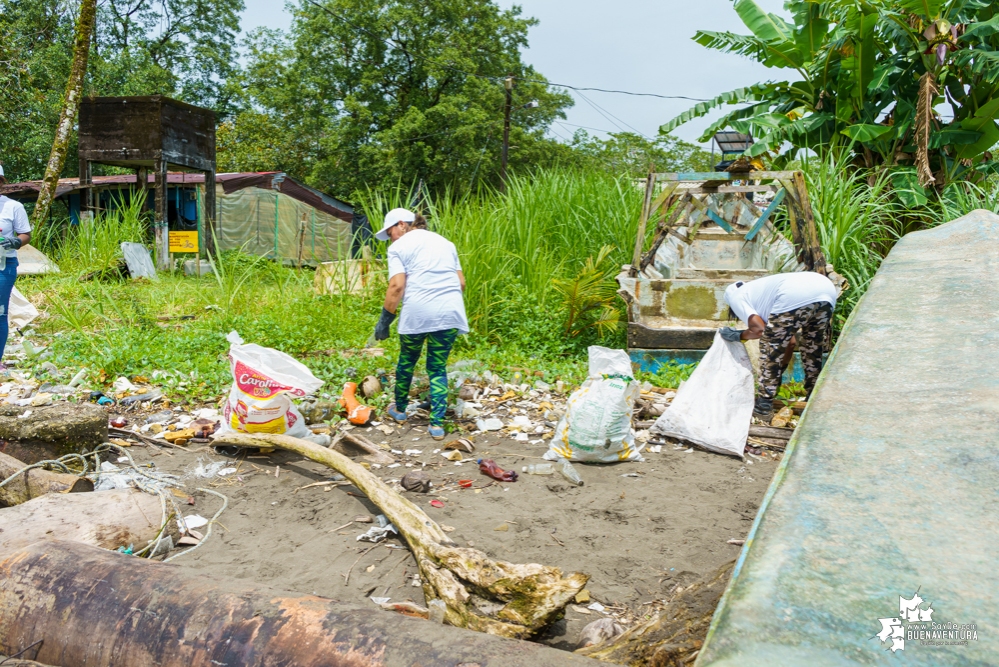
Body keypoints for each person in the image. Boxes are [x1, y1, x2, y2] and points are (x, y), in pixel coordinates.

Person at [372, 207, 468, 440]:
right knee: (437, 368)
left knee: (407, 361)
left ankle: (401, 410)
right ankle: (436, 425)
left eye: (391, 231)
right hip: (450, 313)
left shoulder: (399, 247)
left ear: (403, 224)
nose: (390, 238)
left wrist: (385, 321)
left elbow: (397, 286)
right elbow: (461, 283)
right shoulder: (446, 243)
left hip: (418, 312)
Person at [720, 271, 836, 420]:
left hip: (795, 293)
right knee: (812, 348)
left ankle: (764, 406)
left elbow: (759, 331)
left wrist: (738, 336)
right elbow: (790, 342)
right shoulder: (762, 293)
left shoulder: (736, 297)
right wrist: (779, 371)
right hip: (827, 291)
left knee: (769, 345)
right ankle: (814, 399)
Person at [0, 165, 31, 374]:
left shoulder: (13, 207)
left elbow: (25, 234)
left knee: (0, 313)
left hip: (3, 265)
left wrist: (15, 243)